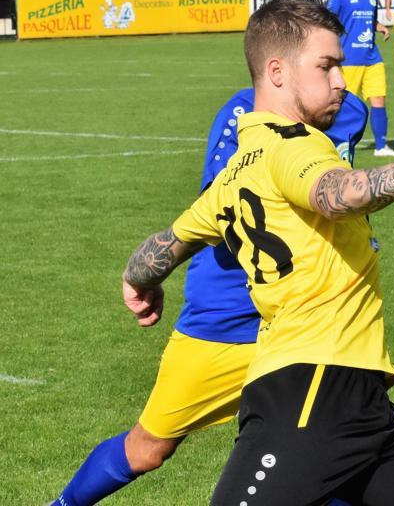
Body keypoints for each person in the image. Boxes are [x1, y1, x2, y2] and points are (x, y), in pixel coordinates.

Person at [121, 0, 394, 506]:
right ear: (277, 71)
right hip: (311, 393)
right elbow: (333, 192)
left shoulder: (237, 170)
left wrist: (138, 279)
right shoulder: (292, 145)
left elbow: (167, 243)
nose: (341, 81)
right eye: (326, 66)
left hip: (341, 396)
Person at [49, 87, 368, 506]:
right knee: (148, 447)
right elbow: (217, 207)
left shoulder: (351, 111)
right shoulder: (244, 110)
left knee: (340, 446)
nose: (339, 77)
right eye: (325, 62)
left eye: (337, 59)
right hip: (229, 311)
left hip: (310, 315)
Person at [327, 0, 394, 157]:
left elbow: (368, 20)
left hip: (372, 57)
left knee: (379, 99)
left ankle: (381, 146)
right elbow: (327, 22)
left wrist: (380, 26)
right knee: (344, 105)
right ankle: (335, 144)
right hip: (349, 60)